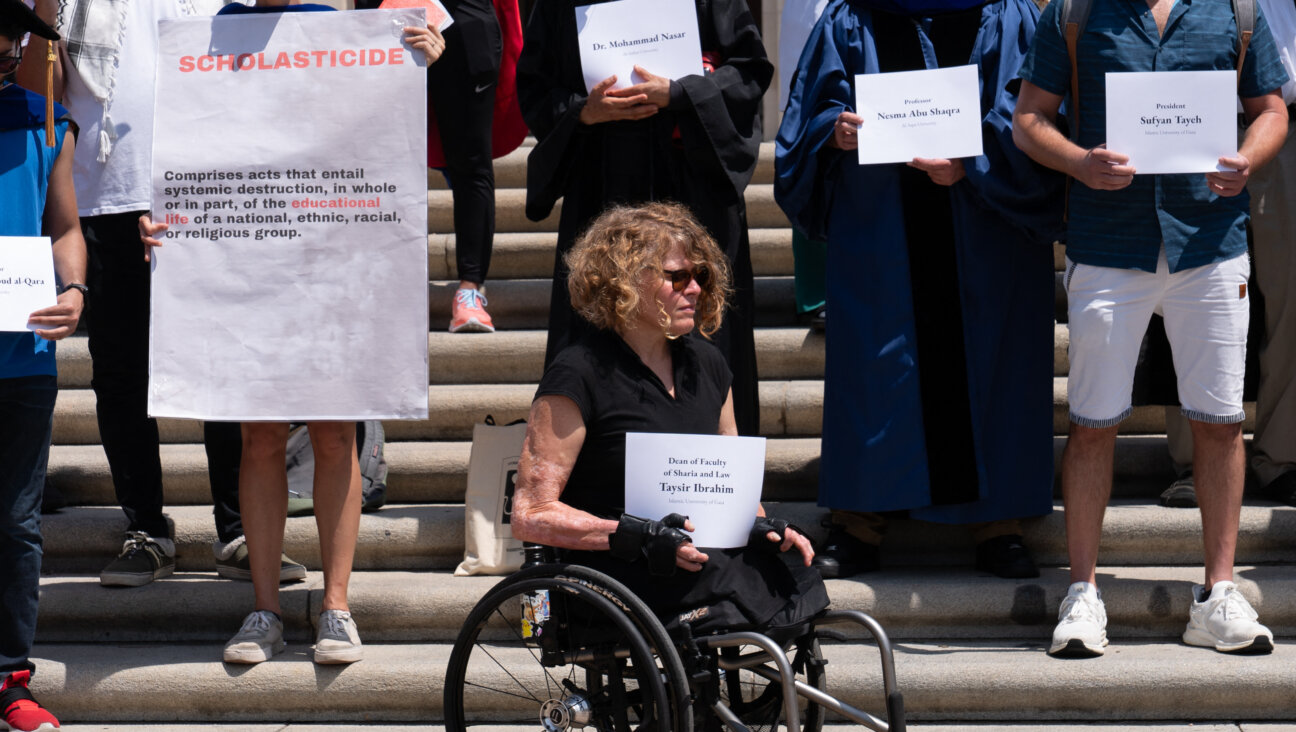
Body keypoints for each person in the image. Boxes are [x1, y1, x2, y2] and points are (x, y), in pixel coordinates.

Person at [137, 0, 444, 665]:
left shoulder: (340, 29)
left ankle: (335, 605)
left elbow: (386, 134)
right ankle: (264, 609)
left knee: (335, 435)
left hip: (334, 254)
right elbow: (188, 142)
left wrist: (418, 60)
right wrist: (158, 212)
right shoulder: (212, 31)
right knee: (260, 436)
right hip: (252, 256)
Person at [1014, 0, 1289, 656]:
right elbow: (1029, 117)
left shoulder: (1237, 11)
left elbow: (1271, 109)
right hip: (1108, 244)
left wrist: (1249, 160)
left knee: (1221, 424)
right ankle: (1083, 593)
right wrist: (1079, 163)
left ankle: (1217, 593)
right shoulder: (1074, 13)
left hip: (1211, 243)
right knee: (1091, 423)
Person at [15, 0, 309, 588]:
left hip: (206, 197)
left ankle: (240, 529)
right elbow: (35, 90)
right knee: (121, 376)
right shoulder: (69, 3)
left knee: (223, 367)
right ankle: (146, 528)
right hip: (102, 199)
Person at [775, 0, 1065, 579]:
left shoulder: (1008, 15)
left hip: (985, 233)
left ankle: (998, 524)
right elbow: (809, 113)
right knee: (878, 365)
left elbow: (1035, 112)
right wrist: (832, 132)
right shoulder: (852, 18)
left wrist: (973, 160)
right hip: (883, 227)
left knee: (994, 362)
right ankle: (861, 521)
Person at [511, 202, 826, 637]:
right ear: (624, 281)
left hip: (697, 559)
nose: (694, 288)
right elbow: (531, 513)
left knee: (791, 571)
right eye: (677, 276)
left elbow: (730, 485)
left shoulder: (709, 364)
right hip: (618, 572)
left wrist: (761, 525)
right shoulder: (579, 373)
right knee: (737, 585)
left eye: (701, 276)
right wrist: (634, 535)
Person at [516, 0, 770, 437]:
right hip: (604, 188)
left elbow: (748, 72)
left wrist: (679, 92)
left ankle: (717, 478)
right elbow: (538, 87)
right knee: (600, 324)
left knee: (702, 325)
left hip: (692, 187)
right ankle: (601, 469)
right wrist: (583, 111)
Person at [1, 2, 83, 727]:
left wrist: (76, 288)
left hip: (21, 354)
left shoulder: (43, 121)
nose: (3, 45)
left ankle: (9, 681)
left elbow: (64, 227)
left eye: (12, 32)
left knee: (16, 524)